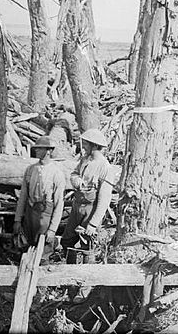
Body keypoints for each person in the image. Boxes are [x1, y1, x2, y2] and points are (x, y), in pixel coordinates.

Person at [61, 128, 116, 301]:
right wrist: (77, 182)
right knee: (67, 240)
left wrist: (93, 224)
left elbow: (105, 198)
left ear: (93, 146)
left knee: (87, 248)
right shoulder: (85, 160)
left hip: (91, 210)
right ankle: (69, 281)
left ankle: (84, 288)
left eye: (85, 143)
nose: (83, 145)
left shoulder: (106, 168)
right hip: (77, 207)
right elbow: (74, 174)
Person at [13, 136, 66, 261]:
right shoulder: (30, 170)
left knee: (43, 252)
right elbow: (23, 198)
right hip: (30, 213)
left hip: (45, 215)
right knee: (26, 248)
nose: (36, 151)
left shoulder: (56, 173)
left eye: (39, 148)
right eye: (36, 148)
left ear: (48, 151)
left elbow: (59, 205)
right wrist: (17, 220)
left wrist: (52, 229)